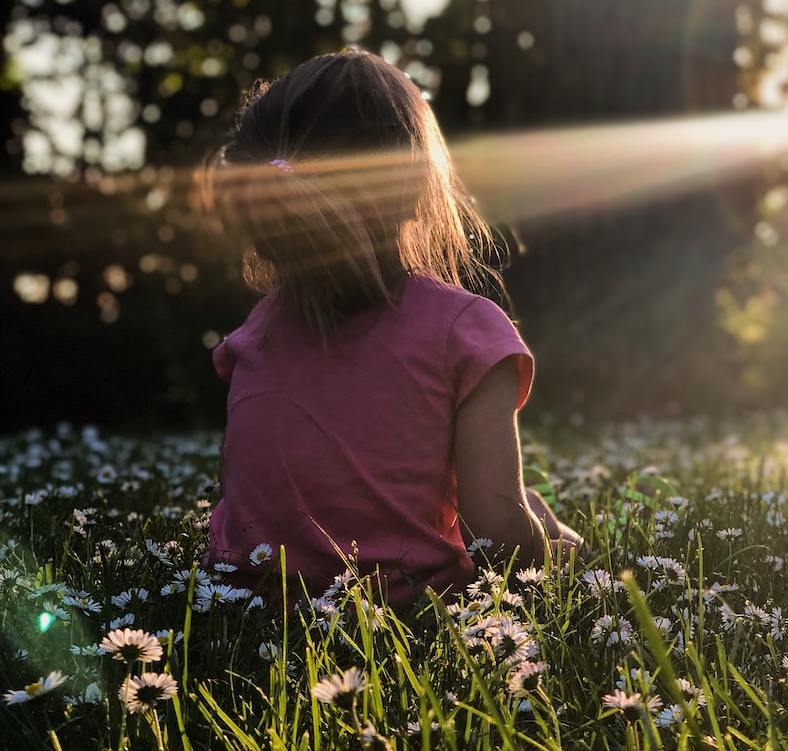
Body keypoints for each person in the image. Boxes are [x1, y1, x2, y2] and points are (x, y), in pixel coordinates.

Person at [203, 49, 582, 608]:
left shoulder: (254, 335)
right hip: (405, 611)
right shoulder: (466, 332)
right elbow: (498, 537)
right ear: (410, 189)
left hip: (249, 603)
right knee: (533, 514)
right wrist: (560, 554)